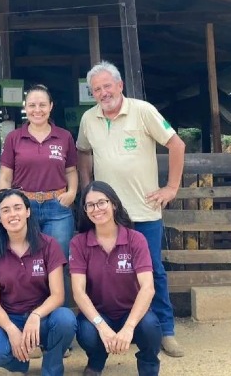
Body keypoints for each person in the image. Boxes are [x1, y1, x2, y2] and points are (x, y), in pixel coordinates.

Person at [76, 61, 186, 357]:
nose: (102, 93)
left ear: (120, 85)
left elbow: (177, 145)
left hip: (144, 210)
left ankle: (165, 331)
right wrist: (88, 189)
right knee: (110, 273)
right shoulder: (89, 119)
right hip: (107, 215)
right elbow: (82, 151)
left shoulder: (143, 110)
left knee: (153, 272)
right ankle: (118, 329)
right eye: (96, 89)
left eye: (107, 86)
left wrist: (172, 188)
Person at [0, 189, 76, 376]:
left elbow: (58, 295)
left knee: (66, 319)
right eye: (6, 210)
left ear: (28, 212)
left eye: (17, 208)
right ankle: (19, 363)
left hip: (43, 317)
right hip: (10, 316)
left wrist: (36, 315)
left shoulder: (48, 245)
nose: (13, 214)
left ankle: (52, 369)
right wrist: (10, 329)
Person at [0, 84, 78, 306]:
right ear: (25, 108)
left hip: (58, 208)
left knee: (56, 263)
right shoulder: (14, 138)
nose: (37, 110)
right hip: (24, 208)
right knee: (26, 262)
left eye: (42, 104)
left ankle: (57, 322)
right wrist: (6, 206)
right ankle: (28, 317)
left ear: (51, 107)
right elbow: (5, 176)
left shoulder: (64, 137)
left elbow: (71, 170)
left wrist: (72, 192)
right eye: (32, 105)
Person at [70, 181, 161, 376]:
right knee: (87, 333)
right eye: (90, 205)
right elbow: (78, 292)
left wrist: (129, 328)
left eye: (102, 202)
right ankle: (96, 361)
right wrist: (102, 327)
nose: (97, 209)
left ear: (114, 204)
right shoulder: (79, 243)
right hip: (99, 314)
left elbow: (148, 288)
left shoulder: (135, 239)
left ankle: (149, 367)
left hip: (132, 313)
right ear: (85, 211)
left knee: (150, 326)